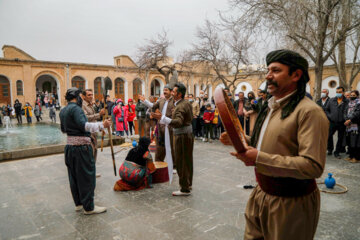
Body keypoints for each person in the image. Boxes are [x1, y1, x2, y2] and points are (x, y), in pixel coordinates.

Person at [220, 49, 329, 240]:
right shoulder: (271, 106)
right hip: (261, 194)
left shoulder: (310, 112)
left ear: (296, 75)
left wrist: (258, 158)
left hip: (291, 204)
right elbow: (266, 143)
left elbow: (313, 166)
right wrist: (241, 139)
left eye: (276, 70)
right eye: (268, 70)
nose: (268, 76)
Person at [60, 87, 111, 215]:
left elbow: (63, 129)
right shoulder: (76, 109)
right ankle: (89, 207)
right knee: (87, 178)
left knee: (74, 177)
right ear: (77, 97)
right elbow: (85, 126)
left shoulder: (63, 110)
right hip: (81, 148)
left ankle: (78, 204)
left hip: (70, 148)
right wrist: (102, 125)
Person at [152, 83, 193, 196]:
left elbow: (179, 122)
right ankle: (188, 183)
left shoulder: (180, 106)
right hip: (187, 135)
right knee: (188, 161)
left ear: (179, 94)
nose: (172, 93)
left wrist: (163, 118)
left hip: (182, 136)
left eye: (174, 92)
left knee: (181, 162)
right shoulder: (185, 103)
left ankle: (185, 188)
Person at [139, 84, 175, 163]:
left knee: (171, 146)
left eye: (166, 90)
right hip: (160, 126)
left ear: (171, 92)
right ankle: (159, 162)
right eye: (164, 90)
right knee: (159, 146)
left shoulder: (174, 101)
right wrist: (144, 101)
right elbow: (153, 106)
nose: (164, 92)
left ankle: (174, 166)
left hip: (170, 127)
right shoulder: (161, 100)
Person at [82, 89, 106, 177]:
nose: (91, 96)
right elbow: (86, 118)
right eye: (89, 95)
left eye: (92, 94)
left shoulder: (91, 105)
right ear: (83, 96)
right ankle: (88, 173)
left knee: (95, 150)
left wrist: (101, 127)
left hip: (94, 131)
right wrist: (98, 114)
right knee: (90, 152)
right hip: (88, 132)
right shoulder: (82, 106)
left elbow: (94, 119)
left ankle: (92, 171)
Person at [325, 86, 349, 158]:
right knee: (329, 135)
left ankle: (337, 152)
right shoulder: (331, 100)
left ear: (343, 92)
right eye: (337, 92)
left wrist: (346, 119)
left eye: (340, 92)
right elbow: (326, 109)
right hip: (332, 122)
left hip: (342, 122)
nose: (338, 93)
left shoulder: (347, 101)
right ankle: (330, 149)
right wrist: (330, 116)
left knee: (340, 138)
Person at [343, 90, 360, 163]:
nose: (352, 96)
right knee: (349, 141)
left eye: (354, 95)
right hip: (348, 125)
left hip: (355, 125)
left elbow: (357, 113)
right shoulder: (348, 103)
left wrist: (350, 120)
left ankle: (356, 158)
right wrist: (346, 119)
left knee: (355, 142)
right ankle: (351, 156)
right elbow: (345, 111)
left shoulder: (359, 103)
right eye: (351, 95)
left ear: (357, 95)